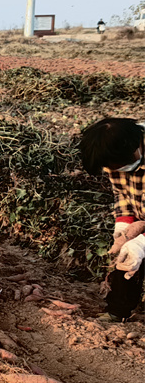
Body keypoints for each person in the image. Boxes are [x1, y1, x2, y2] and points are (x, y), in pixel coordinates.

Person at [79, 117, 145, 322]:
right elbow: (122, 194)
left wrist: (141, 242)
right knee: (127, 263)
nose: (114, 172)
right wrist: (123, 227)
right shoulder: (116, 159)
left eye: (117, 166)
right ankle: (118, 311)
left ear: (134, 150)